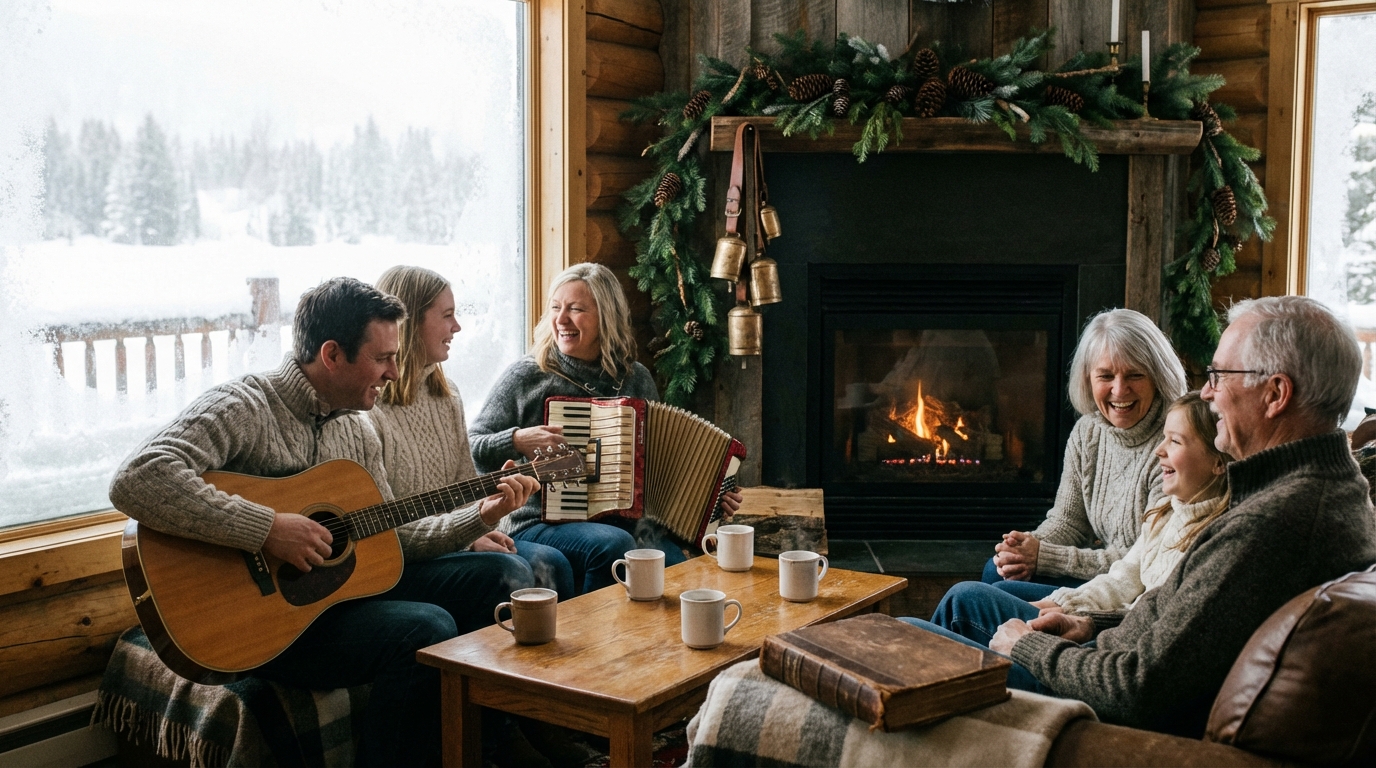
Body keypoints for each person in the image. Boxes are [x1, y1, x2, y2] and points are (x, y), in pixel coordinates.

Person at [108, 277, 540, 767]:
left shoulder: (357, 429)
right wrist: (267, 528)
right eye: (382, 359)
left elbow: (391, 535)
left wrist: (477, 517)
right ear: (331, 354)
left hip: (333, 601)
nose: (394, 372)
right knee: (425, 625)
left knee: (500, 577)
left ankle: (483, 750)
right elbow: (138, 476)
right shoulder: (247, 406)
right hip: (259, 623)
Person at [985, 296, 1376, 736]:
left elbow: (1137, 688)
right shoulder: (1313, 490)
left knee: (923, 633)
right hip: (1102, 652)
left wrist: (1029, 647)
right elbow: (1191, 631)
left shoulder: (1270, 524)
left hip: (1103, 717)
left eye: (1220, 375)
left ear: (1275, 394)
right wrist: (1092, 622)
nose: (1207, 392)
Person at [904, 391, 1234, 692]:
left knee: (938, 613)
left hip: (1098, 662)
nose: (1159, 451)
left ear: (1219, 461)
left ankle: (929, 698)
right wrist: (1060, 597)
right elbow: (1122, 576)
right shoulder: (1169, 511)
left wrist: (1062, 619)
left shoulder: (1211, 539)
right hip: (1102, 631)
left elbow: (1142, 628)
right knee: (978, 589)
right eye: (1164, 438)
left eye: (1175, 442)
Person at [470, 263, 741, 594]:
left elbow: (661, 466)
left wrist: (712, 497)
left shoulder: (634, 377)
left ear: (606, 316)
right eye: (556, 308)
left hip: (624, 521)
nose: (561, 320)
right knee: (611, 543)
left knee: (677, 567)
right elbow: (473, 446)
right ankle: (593, 643)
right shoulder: (527, 376)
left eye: (576, 309)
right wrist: (516, 439)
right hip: (536, 521)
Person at [369, 265, 576, 601]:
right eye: (447, 315)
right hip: (405, 557)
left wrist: (476, 528)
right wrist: (467, 535)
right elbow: (387, 530)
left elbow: (465, 487)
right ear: (408, 323)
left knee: (553, 564)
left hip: (454, 539)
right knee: (513, 572)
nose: (457, 327)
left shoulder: (446, 395)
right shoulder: (370, 408)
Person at [985, 308, 1188, 599]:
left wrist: (1044, 556)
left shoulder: (1174, 443)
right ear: (1088, 378)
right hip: (1099, 571)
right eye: (1105, 375)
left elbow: (1140, 561)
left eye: (1135, 375)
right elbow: (1068, 521)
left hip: (1129, 590)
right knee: (997, 570)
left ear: (1158, 376)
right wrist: (1025, 547)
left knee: (983, 594)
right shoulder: (1088, 432)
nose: (1119, 390)